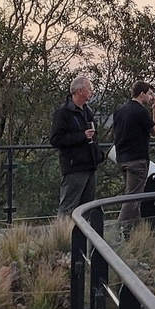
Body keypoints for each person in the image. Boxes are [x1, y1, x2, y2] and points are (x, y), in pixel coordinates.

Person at [50, 75, 104, 220]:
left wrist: (98, 154)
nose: (91, 92)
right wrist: (81, 136)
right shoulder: (63, 113)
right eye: (89, 88)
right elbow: (56, 139)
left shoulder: (88, 112)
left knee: (87, 208)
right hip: (74, 167)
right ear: (80, 91)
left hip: (90, 166)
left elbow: (93, 136)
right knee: (68, 207)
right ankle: (62, 238)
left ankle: (82, 240)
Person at [111, 81, 155, 232]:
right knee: (132, 198)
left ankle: (135, 232)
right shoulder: (140, 111)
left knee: (134, 196)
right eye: (150, 93)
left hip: (122, 158)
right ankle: (118, 230)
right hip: (137, 159)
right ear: (142, 94)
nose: (151, 96)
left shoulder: (120, 110)